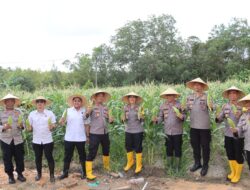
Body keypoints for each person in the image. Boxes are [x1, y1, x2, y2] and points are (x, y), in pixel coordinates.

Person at [216, 86, 245, 182]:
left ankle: (237, 174)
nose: (232, 95)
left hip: (238, 135)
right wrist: (217, 117)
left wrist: (240, 114)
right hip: (228, 134)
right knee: (230, 154)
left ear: (237, 95)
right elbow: (219, 120)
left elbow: (244, 120)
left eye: (234, 93)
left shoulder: (242, 107)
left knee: (238, 155)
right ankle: (232, 172)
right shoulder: (225, 107)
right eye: (231, 93)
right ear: (228, 95)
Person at [185, 78, 214, 176]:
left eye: (199, 85)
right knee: (195, 145)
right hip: (193, 126)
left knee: (205, 147)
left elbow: (212, 108)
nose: (197, 87)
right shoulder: (189, 97)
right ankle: (197, 163)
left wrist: (212, 106)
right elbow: (185, 109)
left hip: (204, 127)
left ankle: (205, 165)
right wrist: (182, 109)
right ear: (193, 87)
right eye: (195, 85)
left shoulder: (207, 97)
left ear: (202, 86)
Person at [153, 88, 185, 172]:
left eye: (171, 95)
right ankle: (169, 166)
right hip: (167, 131)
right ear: (166, 97)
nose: (169, 97)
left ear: (174, 96)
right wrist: (156, 120)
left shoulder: (180, 105)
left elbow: (184, 116)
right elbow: (161, 117)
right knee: (169, 148)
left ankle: (177, 167)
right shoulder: (163, 106)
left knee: (178, 148)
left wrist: (182, 116)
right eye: (168, 95)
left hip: (177, 131)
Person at [58, 94, 89, 180]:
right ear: (73, 102)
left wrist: (87, 136)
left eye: (78, 101)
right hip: (69, 138)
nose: (76, 102)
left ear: (81, 102)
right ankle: (65, 172)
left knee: (82, 156)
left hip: (81, 137)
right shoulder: (67, 110)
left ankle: (84, 172)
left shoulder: (85, 111)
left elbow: (86, 125)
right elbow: (62, 122)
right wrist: (61, 122)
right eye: (75, 101)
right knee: (67, 156)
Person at [85, 90, 114, 180]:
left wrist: (111, 120)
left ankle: (106, 167)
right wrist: (87, 112)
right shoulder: (91, 107)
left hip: (105, 133)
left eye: (102, 96)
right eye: (99, 96)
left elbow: (110, 121)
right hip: (94, 133)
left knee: (106, 150)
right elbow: (85, 118)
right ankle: (89, 172)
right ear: (95, 97)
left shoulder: (106, 108)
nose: (101, 98)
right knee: (92, 152)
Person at [27, 96, 56, 182]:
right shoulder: (32, 114)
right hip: (36, 140)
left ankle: (52, 175)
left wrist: (52, 126)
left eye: (42, 102)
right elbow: (29, 127)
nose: (40, 103)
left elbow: (54, 124)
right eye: (38, 102)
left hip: (48, 140)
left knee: (49, 157)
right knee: (37, 158)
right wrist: (29, 128)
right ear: (36, 104)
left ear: (45, 104)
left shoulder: (50, 113)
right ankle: (39, 174)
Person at [0, 94, 26, 184]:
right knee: (7, 158)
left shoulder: (19, 112)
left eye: (12, 100)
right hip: (5, 139)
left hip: (17, 138)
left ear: (14, 102)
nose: (10, 102)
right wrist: (4, 127)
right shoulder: (1, 113)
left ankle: (20, 174)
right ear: (5, 102)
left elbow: (24, 124)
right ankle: (10, 176)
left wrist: (21, 126)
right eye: (8, 101)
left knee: (19, 157)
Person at [122, 92, 144, 174]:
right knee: (128, 147)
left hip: (138, 130)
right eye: (130, 97)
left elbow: (143, 121)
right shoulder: (125, 107)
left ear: (136, 99)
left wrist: (142, 117)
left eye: (133, 97)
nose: (132, 99)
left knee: (138, 148)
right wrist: (122, 119)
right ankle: (130, 162)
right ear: (128, 99)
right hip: (128, 130)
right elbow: (123, 120)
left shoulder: (140, 108)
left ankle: (139, 165)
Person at [230, 94, 250, 183]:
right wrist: (235, 130)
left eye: (249, 103)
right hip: (248, 145)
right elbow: (240, 128)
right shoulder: (243, 116)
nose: (247, 105)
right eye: (246, 104)